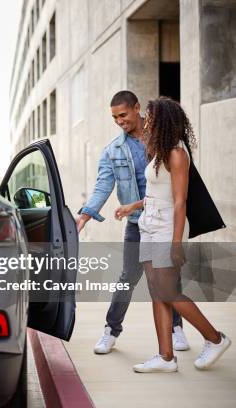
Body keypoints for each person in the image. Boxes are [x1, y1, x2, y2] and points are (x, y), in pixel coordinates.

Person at [115, 97, 231, 372]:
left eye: (151, 117)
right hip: (150, 224)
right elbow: (157, 192)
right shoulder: (159, 151)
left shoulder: (177, 153)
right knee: (156, 291)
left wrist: (176, 244)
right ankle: (166, 357)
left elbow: (180, 201)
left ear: (164, 120)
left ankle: (215, 338)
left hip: (168, 227)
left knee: (167, 290)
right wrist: (134, 205)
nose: (147, 121)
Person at [76, 91, 188, 354]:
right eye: (115, 118)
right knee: (128, 276)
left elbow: (175, 187)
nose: (119, 121)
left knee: (169, 275)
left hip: (163, 218)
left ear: (137, 108)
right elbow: (103, 185)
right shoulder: (112, 151)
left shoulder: (164, 140)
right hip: (138, 223)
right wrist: (86, 214)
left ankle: (177, 329)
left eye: (123, 115)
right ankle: (110, 331)